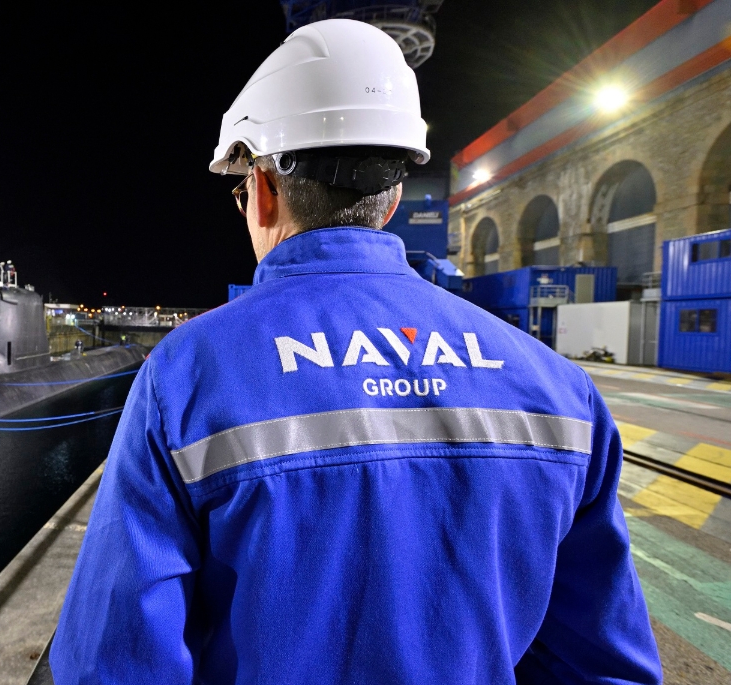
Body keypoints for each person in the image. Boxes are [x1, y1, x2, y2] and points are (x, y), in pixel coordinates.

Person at [51, 18, 660, 685]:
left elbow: (110, 666)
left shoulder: (185, 375)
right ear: (395, 195)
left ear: (262, 188)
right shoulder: (561, 390)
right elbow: (606, 669)